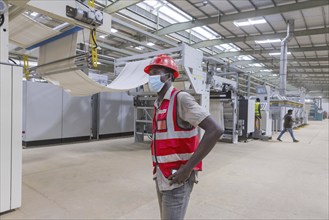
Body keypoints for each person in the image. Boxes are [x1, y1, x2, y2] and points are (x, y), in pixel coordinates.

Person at [144, 54, 223, 220]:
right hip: (162, 174)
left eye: (156, 72)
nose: (152, 78)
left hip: (177, 177)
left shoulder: (180, 99)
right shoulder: (159, 103)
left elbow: (215, 130)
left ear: (169, 76)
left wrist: (187, 169)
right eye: (150, 74)